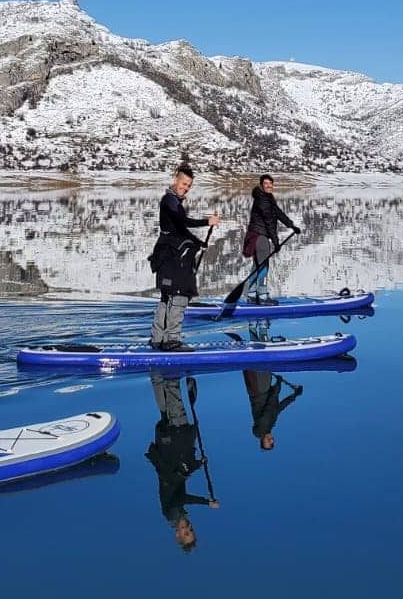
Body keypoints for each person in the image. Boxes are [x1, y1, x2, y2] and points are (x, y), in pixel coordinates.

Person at [144, 373, 220, 552]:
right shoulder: (175, 513)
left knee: (174, 402)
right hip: (169, 443)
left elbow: (179, 490)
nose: (188, 528)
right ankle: (156, 371)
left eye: (185, 533)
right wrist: (198, 464)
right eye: (191, 530)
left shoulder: (171, 513)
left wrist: (206, 502)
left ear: (177, 534)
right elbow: (180, 480)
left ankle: (171, 369)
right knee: (165, 410)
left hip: (175, 442)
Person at [148, 165, 219, 351]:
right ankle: (171, 341)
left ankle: (158, 340)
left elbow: (181, 230)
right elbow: (182, 223)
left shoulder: (173, 202)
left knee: (167, 297)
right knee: (178, 296)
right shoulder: (170, 201)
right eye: (184, 183)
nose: (186, 188)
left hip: (167, 255)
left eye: (189, 185)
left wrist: (198, 243)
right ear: (175, 179)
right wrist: (207, 222)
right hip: (173, 258)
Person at [242, 174, 300, 305]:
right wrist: (276, 241)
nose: (269, 186)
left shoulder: (267, 198)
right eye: (266, 183)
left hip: (257, 236)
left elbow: (278, 213)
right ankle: (262, 296)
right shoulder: (263, 200)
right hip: (260, 237)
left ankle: (251, 294)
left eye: (271, 183)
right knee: (263, 267)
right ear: (262, 185)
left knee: (257, 265)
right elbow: (268, 221)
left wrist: (291, 225)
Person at [242, 369, 303, 451]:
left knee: (259, 366)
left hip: (259, 390)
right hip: (261, 389)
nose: (271, 440)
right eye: (272, 442)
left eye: (268, 442)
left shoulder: (261, 430)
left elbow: (269, 408)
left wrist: (278, 385)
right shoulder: (269, 425)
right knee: (261, 367)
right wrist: (294, 395)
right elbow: (279, 407)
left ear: (262, 440)